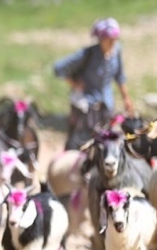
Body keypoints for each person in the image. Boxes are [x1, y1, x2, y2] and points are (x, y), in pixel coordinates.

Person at [54, 17, 134, 150]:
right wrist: (74, 84)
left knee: (107, 143)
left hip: (106, 108)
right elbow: (59, 68)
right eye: (110, 39)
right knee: (83, 144)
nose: (113, 42)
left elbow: (120, 76)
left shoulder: (116, 51)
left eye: (115, 39)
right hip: (86, 109)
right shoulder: (88, 53)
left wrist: (126, 98)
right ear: (101, 39)